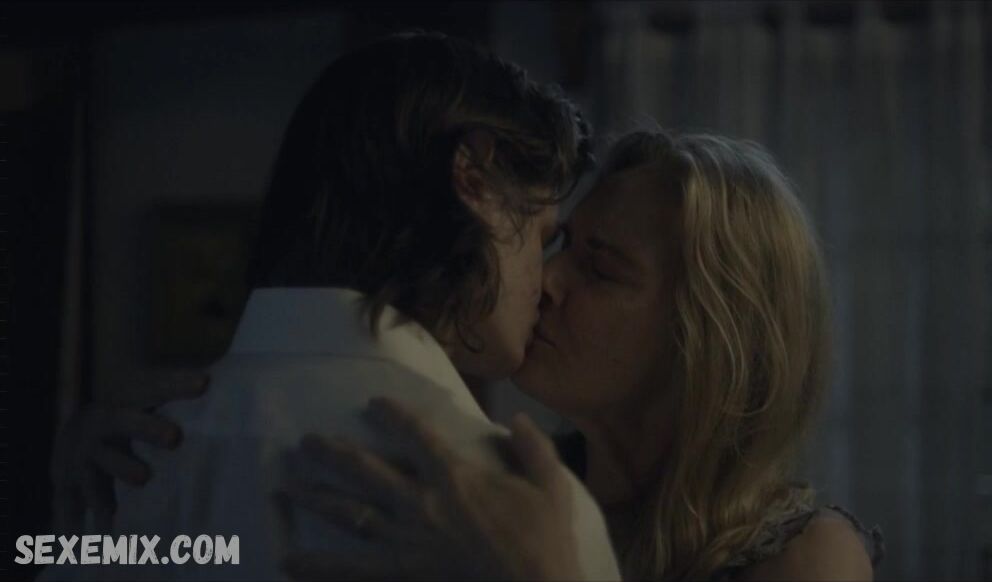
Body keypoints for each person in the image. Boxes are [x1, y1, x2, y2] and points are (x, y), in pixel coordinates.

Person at [63, 131, 886, 580]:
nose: (547, 280)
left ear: (712, 332)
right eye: (558, 245)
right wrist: (83, 521)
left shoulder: (806, 558)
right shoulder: (479, 478)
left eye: (600, 269)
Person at [40, 30, 618, 581]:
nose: (544, 279)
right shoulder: (528, 521)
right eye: (541, 238)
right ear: (474, 176)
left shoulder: (128, 472)